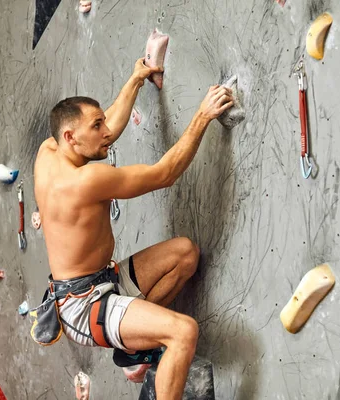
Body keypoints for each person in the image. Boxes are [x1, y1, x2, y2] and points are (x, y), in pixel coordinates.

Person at [33, 57, 234, 400]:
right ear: (71, 136)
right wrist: (203, 115)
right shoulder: (85, 181)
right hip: (83, 308)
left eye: (100, 123)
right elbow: (165, 174)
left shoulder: (49, 149)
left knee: (185, 254)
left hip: (100, 280)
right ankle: (144, 340)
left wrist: (137, 78)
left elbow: (107, 121)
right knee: (184, 332)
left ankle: (133, 349)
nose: (106, 131)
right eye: (97, 126)